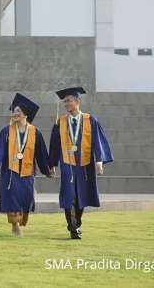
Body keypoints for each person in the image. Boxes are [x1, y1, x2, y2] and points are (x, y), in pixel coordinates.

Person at [48, 87, 114, 239]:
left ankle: (76, 223)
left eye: (69, 101)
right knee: (68, 195)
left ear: (78, 101)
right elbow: (54, 145)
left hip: (85, 165)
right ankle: (72, 228)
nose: (66, 104)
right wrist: (51, 165)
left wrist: (99, 162)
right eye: (65, 102)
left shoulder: (90, 120)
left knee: (82, 195)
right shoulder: (61, 122)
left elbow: (97, 141)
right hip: (67, 163)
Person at [0, 93, 52, 237]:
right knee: (12, 198)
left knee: (26, 198)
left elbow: (41, 154)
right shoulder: (7, 131)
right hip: (10, 172)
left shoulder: (35, 132)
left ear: (25, 115)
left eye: (18, 111)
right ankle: (15, 225)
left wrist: (47, 170)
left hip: (27, 172)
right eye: (14, 111)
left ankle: (20, 222)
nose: (15, 113)